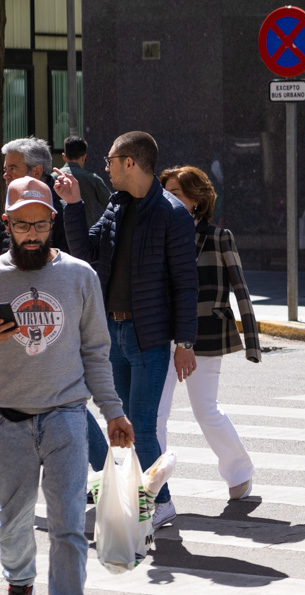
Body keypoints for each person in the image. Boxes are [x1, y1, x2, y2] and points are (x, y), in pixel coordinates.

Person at [55, 130, 199, 531]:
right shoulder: (117, 205)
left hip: (149, 337)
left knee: (142, 425)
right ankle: (143, 501)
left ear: (129, 163)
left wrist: (185, 342)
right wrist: (73, 205)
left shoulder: (172, 214)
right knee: (123, 426)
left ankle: (158, 505)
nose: (106, 167)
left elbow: (187, 283)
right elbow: (85, 253)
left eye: (111, 161)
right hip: (113, 334)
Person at [0, 177, 135, 595]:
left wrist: (113, 410)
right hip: (8, 422)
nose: (32, 236)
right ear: (7, 223)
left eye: (40, 225)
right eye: (23, 226)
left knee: (69, 526)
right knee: (11, 523)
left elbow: (96, 350)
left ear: (53, 221)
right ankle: (21, 580)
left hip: (66, 417)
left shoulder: (79, 276)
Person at [155, 165, 260, 501]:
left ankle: (239, 471)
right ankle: (154, 488)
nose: (168, 199)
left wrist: (252, 342)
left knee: (205, 410)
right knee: (156, 411)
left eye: (176, 194)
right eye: (165, 192)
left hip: (206, 332)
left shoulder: (218, 237)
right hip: (161, 333)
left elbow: (241, 289)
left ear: (197, 201)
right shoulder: (157, 234)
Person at [3, 137, 67, 254]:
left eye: (13, 168)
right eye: (5, 169)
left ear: (37, 171)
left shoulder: (64, 214)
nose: (6, 175)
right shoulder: (10, 200)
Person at [55, 135, 112, 229]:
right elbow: (111, 204)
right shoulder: (92, 178)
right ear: (84, 157)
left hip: (58, 236)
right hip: (86, 233)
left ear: (64, 157)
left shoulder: (53, 178)